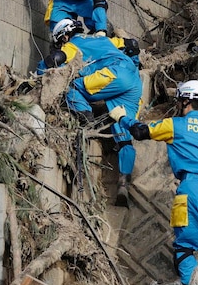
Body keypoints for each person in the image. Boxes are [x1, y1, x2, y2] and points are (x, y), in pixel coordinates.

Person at [108, 80, 198, 285]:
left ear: (186, 99)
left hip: (191, 189)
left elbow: (140, 131)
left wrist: (121, 117)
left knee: (185, 249)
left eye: (180, 100)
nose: (178, 104)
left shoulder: (174, 125)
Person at [39, 18, 142, 206]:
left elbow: (56, 60)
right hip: (134, 80)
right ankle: (123, 183)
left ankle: (87, 118)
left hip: (113, 74)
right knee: (124, 131)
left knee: (71, 87)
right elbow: (132, 45)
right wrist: (136, 63)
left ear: (64, 36)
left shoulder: (72, 45)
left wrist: (39, 72)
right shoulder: (102, 39)